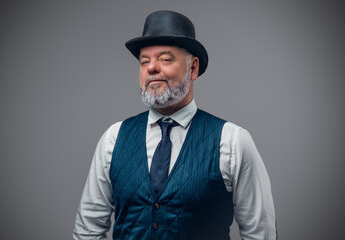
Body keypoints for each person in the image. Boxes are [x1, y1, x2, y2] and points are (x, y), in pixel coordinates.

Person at [73, 10, 277, 240]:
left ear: (193, 68)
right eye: (144, 61)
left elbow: (261, 235)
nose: (151, 68)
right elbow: (87, 231)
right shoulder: (114, 138)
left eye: (165, 59)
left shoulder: (233, 142)